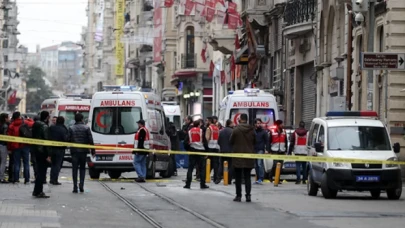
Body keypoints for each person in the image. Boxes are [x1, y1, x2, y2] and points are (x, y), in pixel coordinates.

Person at [230, 113, 255, 202]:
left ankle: (238, 196)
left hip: (238, 157)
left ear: (240, 119)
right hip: (249, 156)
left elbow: (231, 141)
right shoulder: (252, 130)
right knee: (247, 177)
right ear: (247, 120)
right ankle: (248, 196)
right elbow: (255, 141)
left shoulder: (236, 130)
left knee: (238, 178)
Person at [68, 113, 95, 193]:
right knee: (82, 168)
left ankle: (75, 186)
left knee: (74, 169)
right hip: (83, 151)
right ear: (82, 119)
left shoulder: (71, 128)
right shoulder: (86, 128)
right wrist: (93, 150)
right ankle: (81, 185)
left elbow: (68, 139)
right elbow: (90, 140)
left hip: (74, 151)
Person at [7, 112, 34, 184]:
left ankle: (16, 179)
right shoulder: (25, 122)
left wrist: (9, 148)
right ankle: (27, 180)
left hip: (16, 146)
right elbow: (33, 123)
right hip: (25, 145)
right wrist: (29, 119)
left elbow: (9, 138)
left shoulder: (11, 125)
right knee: (26, 163)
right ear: (19, 116)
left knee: (16, 163)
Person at [183, 120, 209, 189]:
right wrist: (206, 152)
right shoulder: (201, 131)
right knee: (202, 168)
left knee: (190, 168)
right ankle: (202, 184)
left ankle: (188, 184)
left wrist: (188, 149)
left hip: (192, 150)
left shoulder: (189, 131)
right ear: (199, 125)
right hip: (201, 151)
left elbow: (185, 143)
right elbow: (205, 142)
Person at [32, 111, 52, 198]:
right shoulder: (44, 126)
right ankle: (39, 191)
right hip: (43, 151)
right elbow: (46, 141)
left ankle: (36, 191)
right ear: (47, 117)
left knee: (39, 171)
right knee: (42, 173)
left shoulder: (35, 125)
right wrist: (48, 155)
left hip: (36, 150)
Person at [49, 116, 68, 185]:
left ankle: (51, 179)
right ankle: (55, 180)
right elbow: (65, 139)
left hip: (52, 148)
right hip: (60, 149)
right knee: (57, 165)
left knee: (53, 164)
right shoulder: (64, 129)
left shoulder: (51, 127)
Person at [218, 119, 234, 185]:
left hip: (222, 150)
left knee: (221, 165)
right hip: (230, 151)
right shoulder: (233, 131)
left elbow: (218, 141)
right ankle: (228, 180)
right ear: (230, 124)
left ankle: (218, 178)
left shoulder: (221, 131)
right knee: (230, 166)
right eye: (232, 123)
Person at [254, 118, 269, 185]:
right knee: (255, 165)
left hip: (260, 149)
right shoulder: (253, 131)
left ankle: (261, 178)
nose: (259, 124)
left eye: (260, 123)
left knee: (260, 163)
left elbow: (267, 141)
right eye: (257, 123)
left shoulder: (263, 132)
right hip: (254, 149)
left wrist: (267, 149)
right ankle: (257, 178)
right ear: (255, 124)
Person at [205, 117, 220, 184]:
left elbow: (207, 138)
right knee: (216, 164)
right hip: (216, 147)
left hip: (210, 147)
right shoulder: (217, 128)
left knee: (208, 163)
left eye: (207, 121)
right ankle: (216, 178)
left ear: (209, 121)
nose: (206, 122)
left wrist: (205, 147)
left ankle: (206, 176)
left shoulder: (209, 128)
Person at [0, 113, 10, 183]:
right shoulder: (5, 126)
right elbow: (5, 136)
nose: (9, 119)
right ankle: (1, 177)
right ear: (5, 118)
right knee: (3, 162)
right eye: (8, 117)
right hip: (3, 145)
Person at [30, 115, 40, 183]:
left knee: (35, 163)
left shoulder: (32, 128)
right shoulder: (43, 127)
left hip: (33, 148)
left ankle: (37, 177)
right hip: (41, 149)